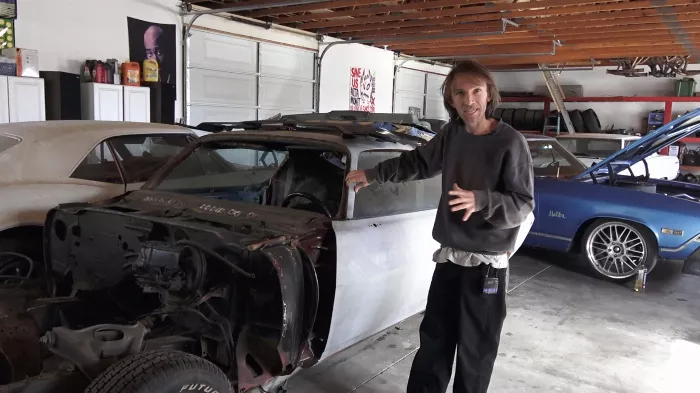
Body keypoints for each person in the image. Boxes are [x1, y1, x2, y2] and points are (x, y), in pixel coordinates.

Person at [345, 59, 535, 393]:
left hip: (486, 268)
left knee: (475, 353)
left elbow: (522, 205)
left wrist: (482, 201)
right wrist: (374, 174)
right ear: (451, 99)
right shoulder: (452, 134)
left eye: (476, 90)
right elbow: (418, 162)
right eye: (460, 93)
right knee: (434, 343)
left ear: (489, 94)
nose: (469, 99)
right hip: (449, 260)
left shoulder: (510, 142)